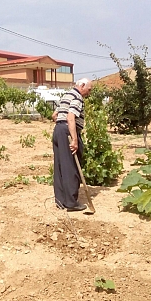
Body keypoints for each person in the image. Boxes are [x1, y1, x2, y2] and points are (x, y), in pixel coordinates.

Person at [51, 78, 92, 212]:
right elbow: (70, 117)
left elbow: (54, 115)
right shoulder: (77, 97)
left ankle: (60, 200)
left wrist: (61, 125)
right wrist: (74, 139)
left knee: (60, 165)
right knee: (70, 166)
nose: (89, 92)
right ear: (82, 85)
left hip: (58, 130)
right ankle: (71, 203)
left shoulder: (66, 95)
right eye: (89, 89)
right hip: (67, 132)